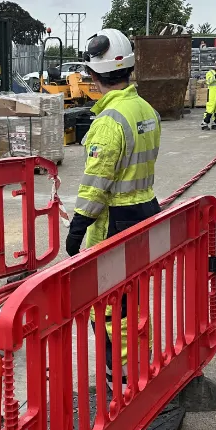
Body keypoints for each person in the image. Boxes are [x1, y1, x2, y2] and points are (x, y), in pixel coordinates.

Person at [65, 28, 161, 376]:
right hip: (146, 210)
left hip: (115, 220)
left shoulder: (109, 121)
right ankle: (141, 358)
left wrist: (78, 225)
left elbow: (96, 184)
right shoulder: (145, 109)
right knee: (133, 295)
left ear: (92, 75)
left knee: (106, 303)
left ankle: (120, 374)